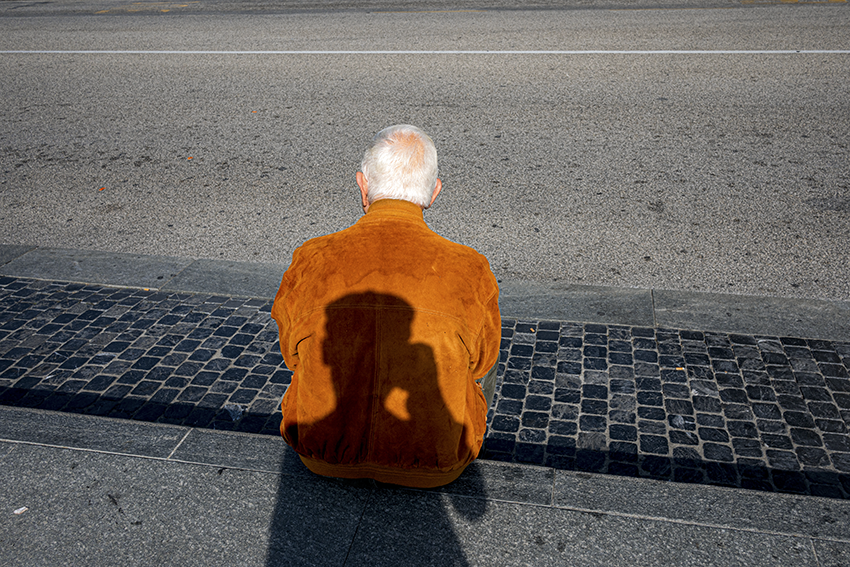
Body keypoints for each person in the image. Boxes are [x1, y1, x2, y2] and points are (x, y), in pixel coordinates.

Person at [271, 125, 501, 488]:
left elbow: (291, 355)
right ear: (434, 192)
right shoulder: (470, 267)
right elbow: (482, 362)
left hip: (321, 454)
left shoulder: (311, 257)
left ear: (362, 184)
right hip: (438, 464)